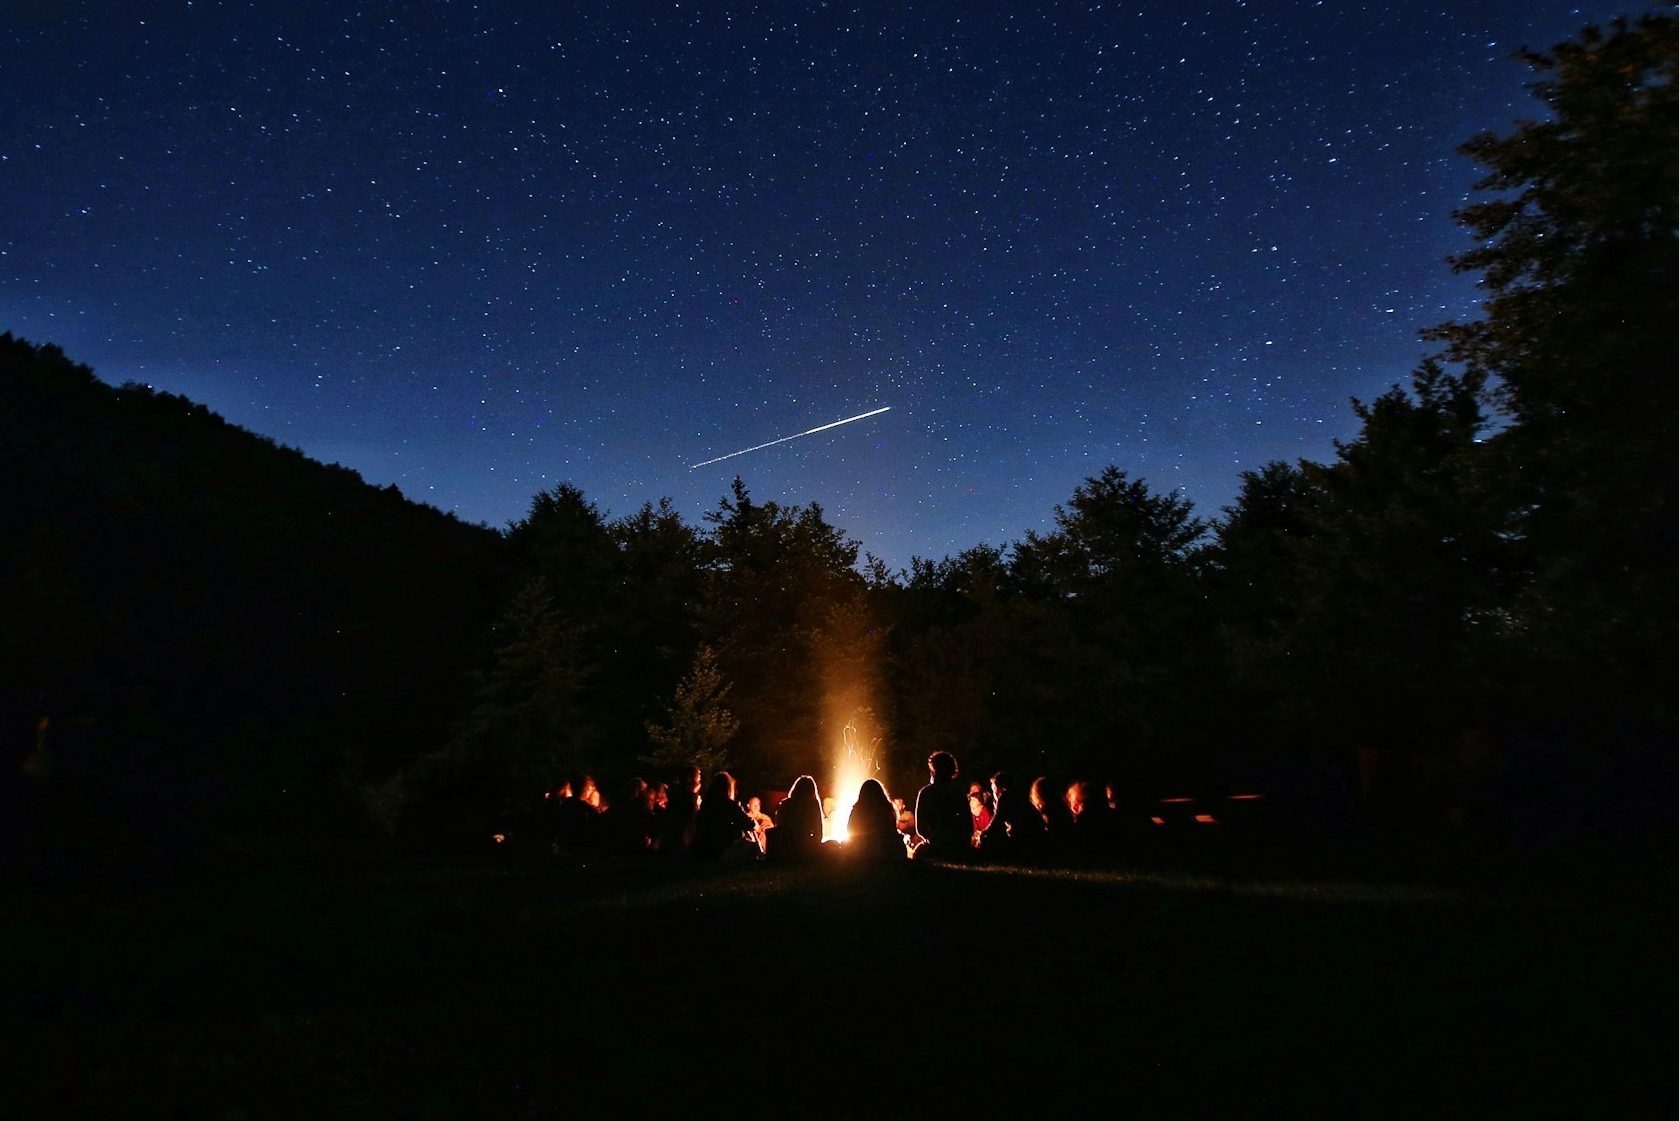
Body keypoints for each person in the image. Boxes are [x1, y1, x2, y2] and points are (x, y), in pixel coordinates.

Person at [911, 750, 972, 862]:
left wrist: (932, 838)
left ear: (933, 769)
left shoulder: (926, 793)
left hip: (935, 845)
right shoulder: (958, 792)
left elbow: (920, 827)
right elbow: (968, 823)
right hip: (956, 845)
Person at [691, 771, 759, 860]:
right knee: (752, 847)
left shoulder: (705, 805)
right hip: (722, 849)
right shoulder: (730, 805)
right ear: (728, 788)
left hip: (702, 849)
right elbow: (750, 824)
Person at [977, 770, 1044, 860]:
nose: (994, 794)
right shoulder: (1019, 795)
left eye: (994, 789)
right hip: (1033, 834)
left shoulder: (1005, 797)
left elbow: (996, 821)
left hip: (1024, 835)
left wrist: (984, 832)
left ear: (1000, 787)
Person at [766, 775, 827, 861]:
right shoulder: (812, 805)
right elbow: (818, 827)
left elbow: (779, 823)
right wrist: (815, 846)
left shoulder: (786, 803)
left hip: (785, 844)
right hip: (804, 844)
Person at [846, 778, 906, 861]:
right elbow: (893, 828)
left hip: (862, 855)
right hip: (889, 853)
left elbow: (850, 829)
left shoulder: (857, 810)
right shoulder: (887, 809)